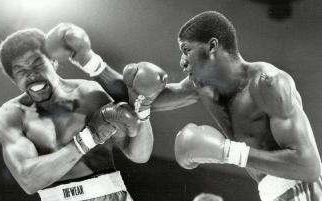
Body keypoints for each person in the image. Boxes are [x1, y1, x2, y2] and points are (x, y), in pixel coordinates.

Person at [76, 11, 322, 201]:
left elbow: (309, 166)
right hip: (268, 190)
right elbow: (137, 97)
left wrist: (227, 152)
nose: (182, 61)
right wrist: (90, 62)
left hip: (303, 188)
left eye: (187, 50)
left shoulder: (268, 83)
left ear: (212, 46)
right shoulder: (199, 86)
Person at [0, 26, 156, 201]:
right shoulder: (10, 116)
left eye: (38, 63)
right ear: (14, 79)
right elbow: (28, 180)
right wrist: (90, 136)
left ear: (53, 61)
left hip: (111, 195)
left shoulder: (91, 94)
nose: (32, 74)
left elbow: (140, 155)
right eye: (20, 71)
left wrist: (142, 110)